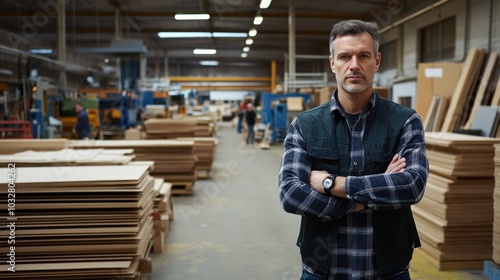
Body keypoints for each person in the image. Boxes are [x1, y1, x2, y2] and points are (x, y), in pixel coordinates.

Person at [278, 19, 428, 280]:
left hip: (388, 270)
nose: (354, 65)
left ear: (377, 61)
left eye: (364, 55)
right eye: (345, 56)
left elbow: (411, 185)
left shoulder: (405, 121)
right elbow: (290, 194)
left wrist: (330, 183)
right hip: (322, 271)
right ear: (332, 63)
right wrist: (359, 204)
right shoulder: (304, 125)